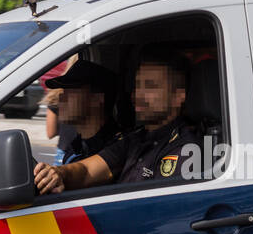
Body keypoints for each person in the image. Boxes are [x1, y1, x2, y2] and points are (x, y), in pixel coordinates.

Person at [33, 50, 202, 194]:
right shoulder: (135, 139)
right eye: (137, 85)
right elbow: (87, 171)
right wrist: (58, 173)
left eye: (150, 86)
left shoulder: (185, 149)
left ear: (178, 97)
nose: (138, 94)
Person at [41, 59, 121, 165]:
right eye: (64, 91)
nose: (61, 97)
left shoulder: (114, 150)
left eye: (70, 91)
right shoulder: (77, 145)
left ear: (96, 99)